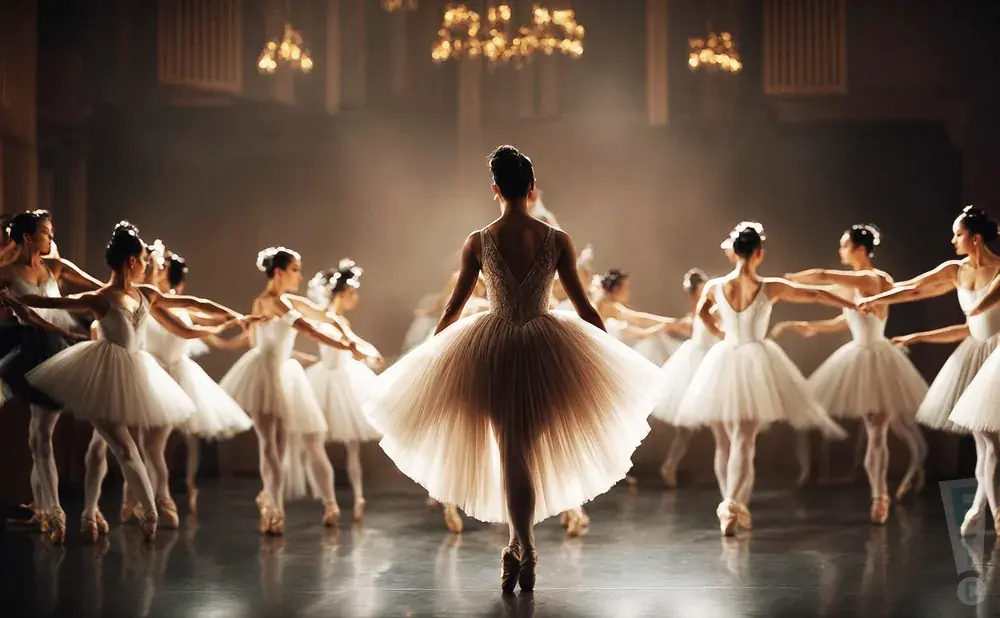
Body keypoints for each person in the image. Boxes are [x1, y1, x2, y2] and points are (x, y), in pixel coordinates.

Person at [364, 145, 660, 593]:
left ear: (495, 190)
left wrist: (431, 356)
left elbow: (452, 310)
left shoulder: (478, 241)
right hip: (546, 348)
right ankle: (520, 545)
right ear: (532, 188)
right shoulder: (557, 239)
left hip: (493, 348)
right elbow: (585, 309)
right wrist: (607, 353)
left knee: (511, 452)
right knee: (525, 452)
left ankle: (521, 546)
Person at [674, 222, 849, 536]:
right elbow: (815, 294)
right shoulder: (770, 286)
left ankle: (732, 506)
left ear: (734, 253)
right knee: (745, 439)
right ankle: (733, 503)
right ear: (759, 253)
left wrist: (720, 333)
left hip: (726, 357)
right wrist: (853, 304)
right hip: (754, 358)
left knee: (725, 441)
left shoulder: (715, 285)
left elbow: (701, 312)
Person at [772, 224, 929, 524]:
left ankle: (880, 496)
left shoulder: (874, 278)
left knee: (878, 431)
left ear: (860, 249)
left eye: (844, 245)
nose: (840, 250)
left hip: (876, 356)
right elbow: (845, 319)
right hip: (859, 353)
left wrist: (788, 280)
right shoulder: (855, 285)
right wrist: (813, 327)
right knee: (875, 429)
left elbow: (822, 276)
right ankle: (882, 492)